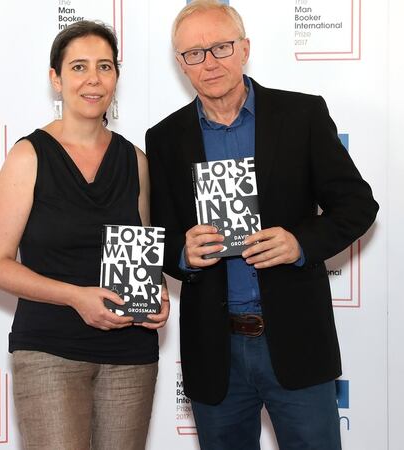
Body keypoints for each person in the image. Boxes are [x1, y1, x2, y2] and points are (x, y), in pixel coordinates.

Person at [145, 1, 379, 449]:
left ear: (244, 48)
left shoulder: (301, 116)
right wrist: (180, 252)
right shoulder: (164, 138)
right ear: (180, 64)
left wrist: (300, 242)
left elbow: (358, 205)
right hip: (215, 353)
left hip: (295, 340)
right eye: (194, 53)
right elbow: (162, 234)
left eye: (220, 47)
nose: (209, 62)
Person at [0, 20, 169, 450]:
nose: (93, 79)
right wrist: (75, 296)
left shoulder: (135, 160)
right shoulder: (29, 156)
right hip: (50, 351)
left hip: (130, 354)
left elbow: (141, 252)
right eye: (79, 67)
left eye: (104, 66)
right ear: (56, 78)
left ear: (116, 77)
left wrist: (156, 294)